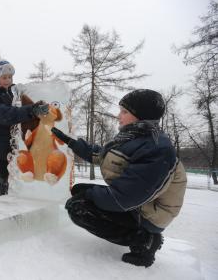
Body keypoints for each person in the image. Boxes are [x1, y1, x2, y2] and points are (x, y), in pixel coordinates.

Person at [51, 89, 187, 268]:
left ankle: (145, 240)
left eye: (124, 112)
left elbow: (124, 198)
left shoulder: (156, 149)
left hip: (150, 214)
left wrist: (91, 195)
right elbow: (102, 155)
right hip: (138, 202)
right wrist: (71, 143)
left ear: (141, 116)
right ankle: (136, 233)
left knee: (78, 207)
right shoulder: (134, 138)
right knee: (78, 191)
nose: (118, 116)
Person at [0, 59, 49, 197]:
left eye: (10, 77)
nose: (8, 80)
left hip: (7, 152)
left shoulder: (10, 93)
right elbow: (7, 115)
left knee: (4, 189)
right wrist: (31, 111)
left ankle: (1, 214)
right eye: (4, 77)